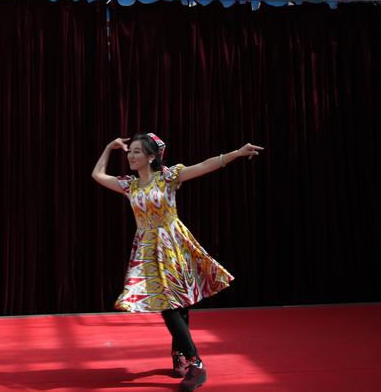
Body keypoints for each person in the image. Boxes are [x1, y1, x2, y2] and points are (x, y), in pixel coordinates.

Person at [91, 133, 263, 391]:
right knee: (168, 304)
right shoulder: (130, 185)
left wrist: (236, 153)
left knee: (179, 304)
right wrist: (108, 147)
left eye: (136, 152)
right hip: (148, 249)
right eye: (130, 152)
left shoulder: (168, 177)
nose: (130, 156)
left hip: (173, 244)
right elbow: (97, 175)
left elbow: (204, 165)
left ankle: (183, 356)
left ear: (151, 156)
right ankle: (194, 361)